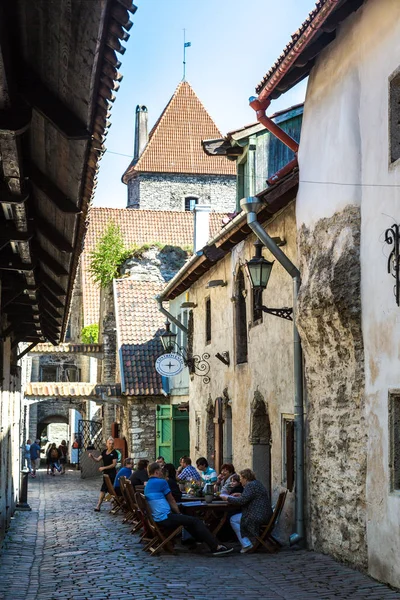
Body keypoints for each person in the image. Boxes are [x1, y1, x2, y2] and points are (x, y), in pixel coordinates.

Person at [145, 462, 233, 556]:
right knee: (195, 521)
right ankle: (215, 547)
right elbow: (171, 500)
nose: (162, 472)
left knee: (189, 521)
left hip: (157, 518)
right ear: (156, 472)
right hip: (165, 517)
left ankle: (200, 542)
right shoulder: (161, 482)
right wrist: (178, 513)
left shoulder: (148, 485)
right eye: (160, 470)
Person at [221, 468, 272, 553]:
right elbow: (250, 496)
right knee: (235, 517)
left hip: (258, 516)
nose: (240, 481)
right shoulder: (256, 483)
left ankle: (246, 544)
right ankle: (246, 543)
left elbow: (241, 501)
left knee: (233, 519)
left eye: (241, 478)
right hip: (265, 514)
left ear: (245, 478)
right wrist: (241, 494)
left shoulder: (250, 485)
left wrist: (227, 498)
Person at [89, 436, 119, 511]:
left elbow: (113, 464)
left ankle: (109, 505)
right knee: (105, 490)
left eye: (112, 444)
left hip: (111, 474)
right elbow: (97, 459)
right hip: (105, 474)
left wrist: (104, 468)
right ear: (107, 444)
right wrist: (92, 457)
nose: (111, 445)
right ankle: (99, 505)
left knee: (109, 490)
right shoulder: (104, 452)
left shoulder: (114, 453)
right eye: (109, 443)